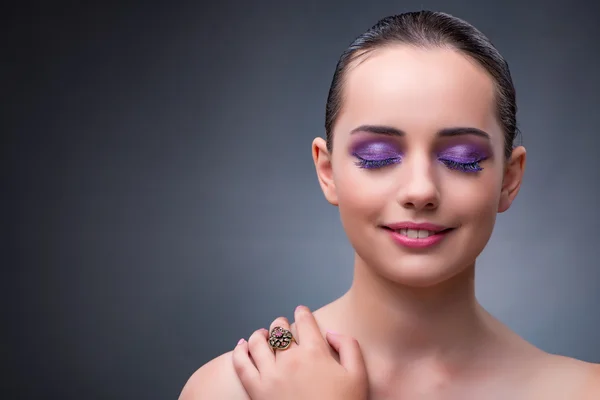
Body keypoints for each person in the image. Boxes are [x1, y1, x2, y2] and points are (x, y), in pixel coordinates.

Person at [179, 10, 600, 399]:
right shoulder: (229, 390)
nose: (420, 190)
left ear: (509, 179)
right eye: (377, 157)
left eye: (461, 160)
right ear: (328, 171)